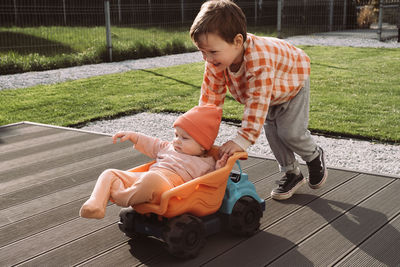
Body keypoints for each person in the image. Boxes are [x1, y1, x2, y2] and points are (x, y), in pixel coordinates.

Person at [190, 0, 327, 200]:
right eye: (202, 52)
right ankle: (292, 173)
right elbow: (210, 101)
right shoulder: (215, 62)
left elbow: (257, 101)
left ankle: (314, 156)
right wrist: (200, 138)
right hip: (267, 93)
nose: (206, 58)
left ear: (237, 41)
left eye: (212, 52)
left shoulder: (258, 61)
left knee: (290, 133)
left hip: (291, 81)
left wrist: (242, 139)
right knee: (273, 134)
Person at [80, 105, 228, 219]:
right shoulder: (168, 147)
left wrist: (218, 168)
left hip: (169, 188)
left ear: (203, 145)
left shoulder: (206, 162)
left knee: (151, 179)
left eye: (184, 138)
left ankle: (120, 195)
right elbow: (151, 143)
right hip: (147, 179)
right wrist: (133, 136)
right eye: (176, 134)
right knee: (110, 173)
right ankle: (95, 204)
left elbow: (211, 183)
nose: (177, 140)